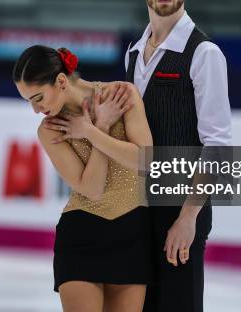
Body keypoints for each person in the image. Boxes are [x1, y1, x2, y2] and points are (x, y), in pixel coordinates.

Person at [126, 0, 232, 311]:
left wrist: (189, 217)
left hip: (181, 207)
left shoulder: (204, 54)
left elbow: (218, 145)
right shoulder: (133, 52)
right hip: (138, 209)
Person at [13, 45, 153, 311]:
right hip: (82, 235)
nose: (35, 109)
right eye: (29, 101)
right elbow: (92, 189)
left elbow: (144, 162)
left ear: (61, 81)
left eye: (38, 98)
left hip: (132, 233)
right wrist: (100, 127)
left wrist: (90, 131)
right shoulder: (51, 129)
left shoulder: (121, 94)